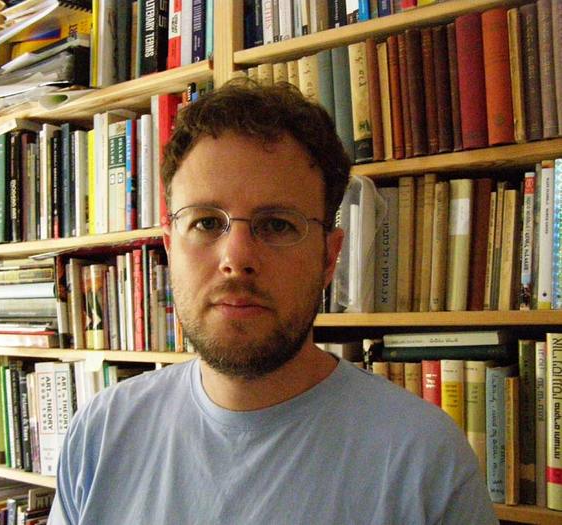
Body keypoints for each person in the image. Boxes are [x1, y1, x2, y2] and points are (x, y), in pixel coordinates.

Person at [48, 81, 497, 524]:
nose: (236, 259)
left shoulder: (426, 461)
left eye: (278, 225)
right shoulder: (99, 435)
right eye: (206, 223)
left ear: (328, 257)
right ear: (169, 247)